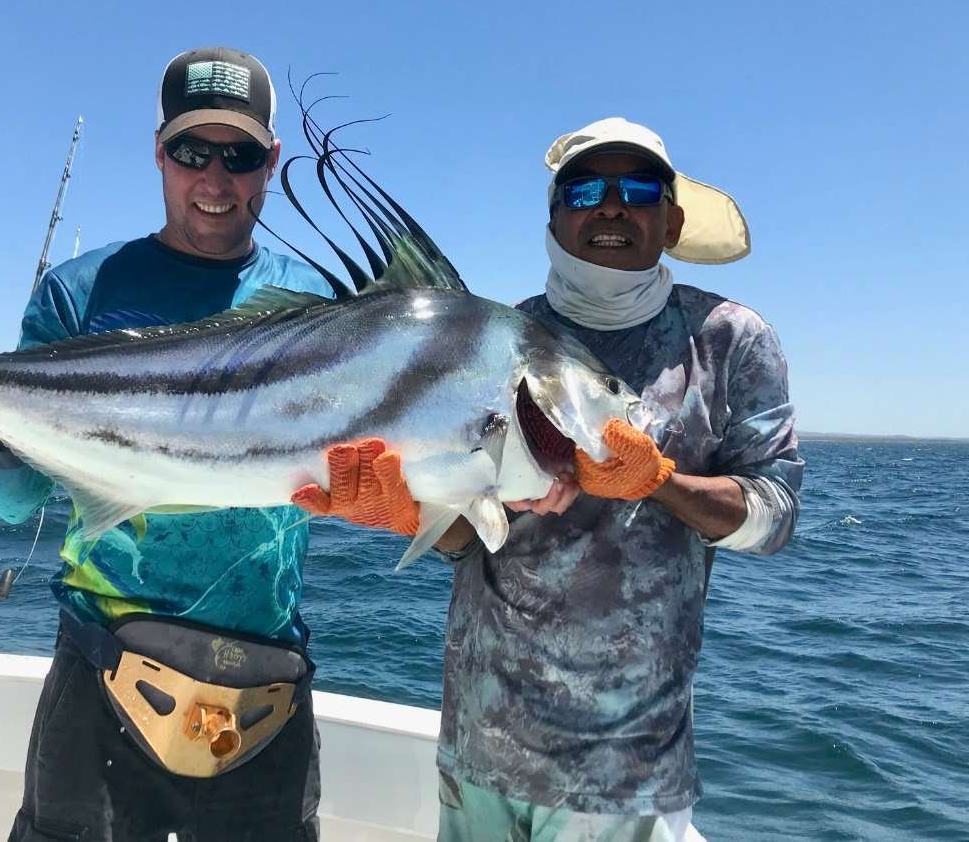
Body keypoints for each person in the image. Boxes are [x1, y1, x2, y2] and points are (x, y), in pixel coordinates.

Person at [299, 117, 804, 841]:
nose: (609, 206)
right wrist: (416, 516)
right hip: (478, 745)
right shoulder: (495, 338)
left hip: (625, 772)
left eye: (636, 188)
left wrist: (660, 480)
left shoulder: (726, 339)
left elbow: (776, 513)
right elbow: (470, 537)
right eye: (584, 189)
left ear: (672, 218)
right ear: (554, 214)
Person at [0, 47, 335, 842]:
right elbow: (22, 495)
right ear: (159, 152)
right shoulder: (79, 291)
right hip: (100, 678)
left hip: (264, 683)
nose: (214, 178)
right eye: (192, 151)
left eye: (237, 155)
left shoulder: (313, 308)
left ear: (270, 161)